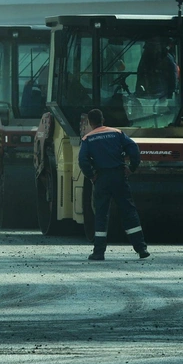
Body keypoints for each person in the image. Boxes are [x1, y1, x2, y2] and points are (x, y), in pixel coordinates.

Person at [78, 108, 150, 261]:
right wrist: (131, 167)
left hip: (102, 179)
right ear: (103, 120)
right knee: (128, 212)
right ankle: (141, 248)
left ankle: (99, 252)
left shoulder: (87, 139)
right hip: (119, 176)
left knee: (101, 214)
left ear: (90, 123)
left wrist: (92, 175)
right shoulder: (117, 133)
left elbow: (83, 160)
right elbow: (133, 149)